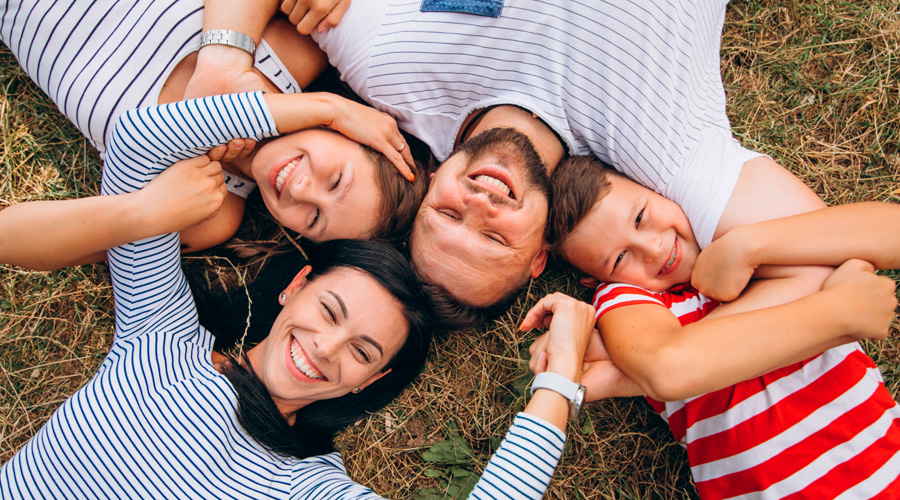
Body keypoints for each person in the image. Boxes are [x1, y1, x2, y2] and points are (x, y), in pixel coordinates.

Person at [0, 93, 596, 499]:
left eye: (363, 353)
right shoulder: (160, 339)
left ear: (368, 382)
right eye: (330, 310)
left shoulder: (303, 484)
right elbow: (141, 138)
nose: (326, 348)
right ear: (295, 287)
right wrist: (327, 110)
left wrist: (559, 380)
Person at [188, 0, 830, 327]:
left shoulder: (388, 69)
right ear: (537, 257)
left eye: (446, 215)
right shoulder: (665, 157)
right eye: (493, 235)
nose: (480, 204)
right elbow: (818, 261)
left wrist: (221, 59)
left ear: (428, 178)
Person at [534, 155, 900, 498]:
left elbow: (888, 232)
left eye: (641, 217)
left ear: (657, 190)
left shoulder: (753, 232)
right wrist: (836, 309)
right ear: (594, 281)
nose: (654, 247)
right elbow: (665, 360)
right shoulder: (628, 298)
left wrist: (747, 246)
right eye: (618, 259)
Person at [0, 0, 424, 254]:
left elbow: (11, 238)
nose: (300, 191)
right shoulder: (297, 52)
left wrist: (137, 215)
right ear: (352, 131)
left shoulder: (210, 211)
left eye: (314, 219)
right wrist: (324, 105)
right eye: (335, 180)